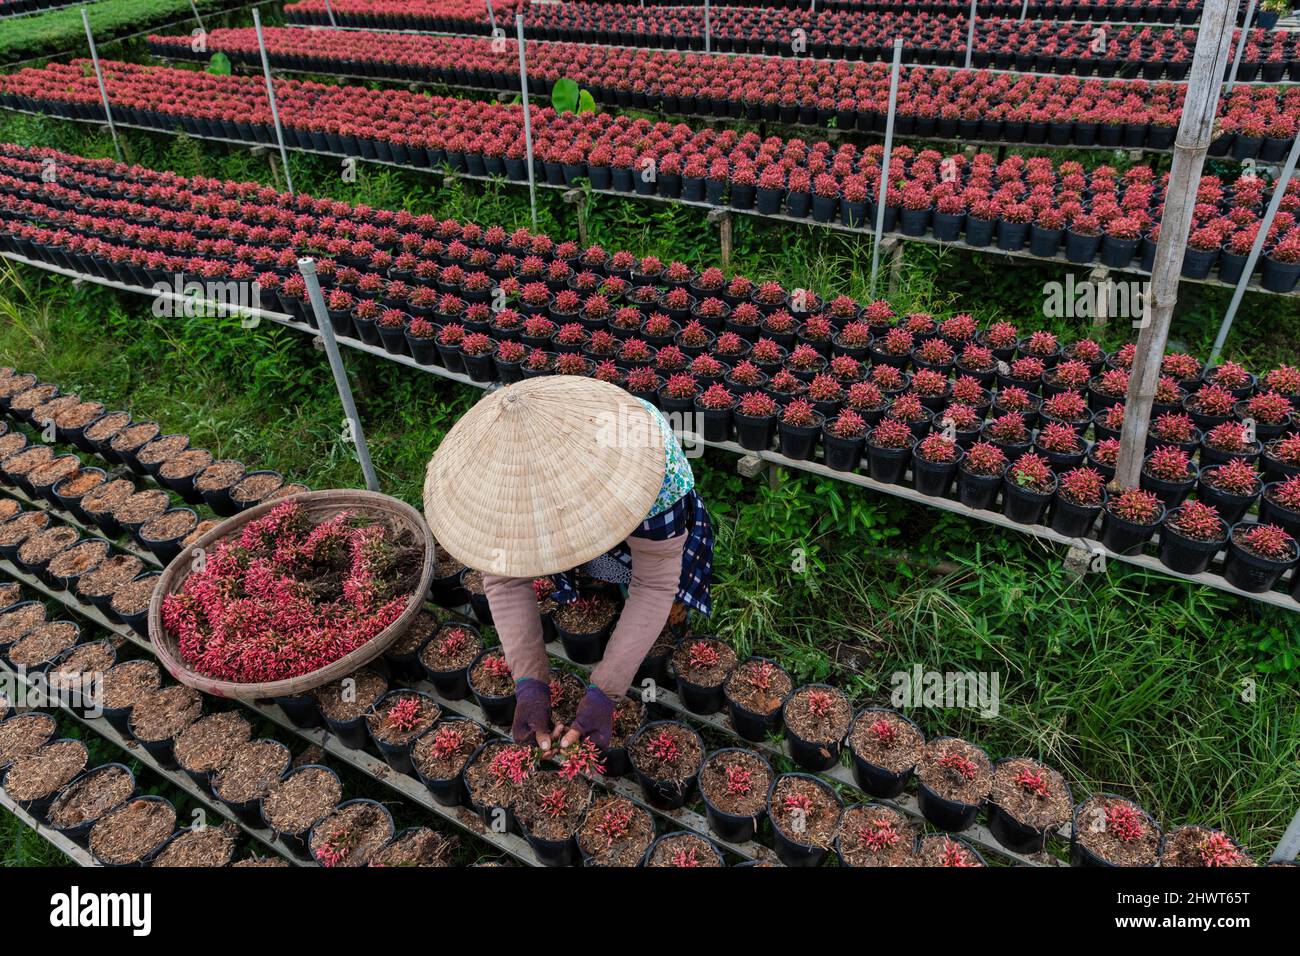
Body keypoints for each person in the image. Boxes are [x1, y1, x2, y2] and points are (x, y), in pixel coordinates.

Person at [424, 377, 712, 753]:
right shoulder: (497, 479)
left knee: (648, 594)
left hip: (654, 529)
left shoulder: (650, 464)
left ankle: (662, 616)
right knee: (600, 573)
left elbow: (653, 584)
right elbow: (505, 580)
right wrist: (529, 684)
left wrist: (606, 692)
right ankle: (600, 579)